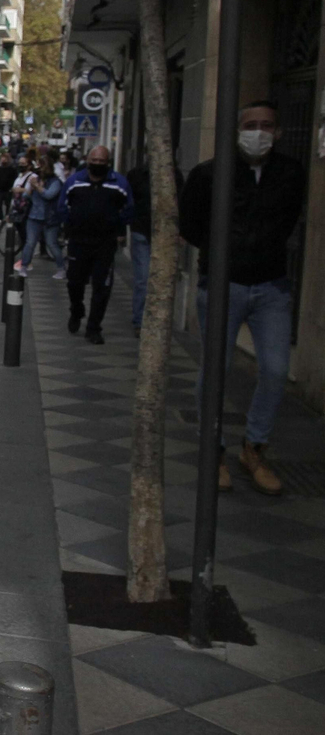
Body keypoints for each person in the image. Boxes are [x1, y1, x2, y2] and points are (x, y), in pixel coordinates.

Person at [180, 100, 307, 496]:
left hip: (271, 286)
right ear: (237, 131)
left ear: (279, 132)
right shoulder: (209, 174)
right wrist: (224, 255)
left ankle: (254, 448)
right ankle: (213, 451)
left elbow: (288, 220)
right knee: (213, 370)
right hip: (221, 284)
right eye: (251, 125)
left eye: (266, 125)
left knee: (274, 369)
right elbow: (190, 224)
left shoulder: (290, 174)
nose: (259, 132)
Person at [57, 145, 134, 345]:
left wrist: (117, 226)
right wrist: (70, 226)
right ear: (88, 160)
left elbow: (128, 209)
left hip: (105, 244)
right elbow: (62, 206)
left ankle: (93, 327)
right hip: (78, 241)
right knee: (74, 282)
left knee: (102, 287)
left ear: (108, 163)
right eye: (95, 161)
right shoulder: (75, 182)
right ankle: (76, 310)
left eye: (102, 161)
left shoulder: (119, 183)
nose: (98, 164)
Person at [125, 160, 183, 336]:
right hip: (141, 231)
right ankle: (140, 321)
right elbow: (128, 201)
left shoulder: (175, 174)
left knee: (161, 279)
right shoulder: (136, 175)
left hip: (164, 234)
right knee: (143, 279)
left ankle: (157, 320)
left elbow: (180, 201)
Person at [17, 157, 65, 278]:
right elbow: (25, 195)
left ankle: (61, 268)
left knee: (51, 244)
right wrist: (30, 189)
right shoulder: (35, 180)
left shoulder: (55, 182)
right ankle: (24, 266)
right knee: (30, 243)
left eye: (41, 166)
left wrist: (37, 187)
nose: (39, 169)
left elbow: (49, 195)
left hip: (50, 218)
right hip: (34, 216)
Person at [0, 153, 19, 221]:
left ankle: (7, 216)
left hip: (8, 190)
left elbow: (16, 178)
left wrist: (14, 187)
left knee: (8, 204)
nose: (3, 160)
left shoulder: (12, 169)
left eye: (5, 159)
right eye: (2, 159)